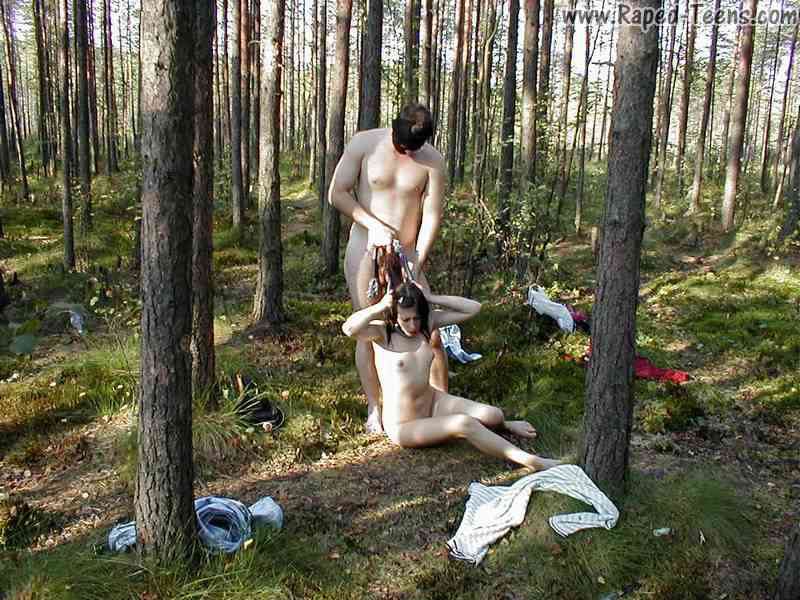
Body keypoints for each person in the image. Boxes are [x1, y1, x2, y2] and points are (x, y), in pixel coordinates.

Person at [341, 281, 561, 471]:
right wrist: (380, 306)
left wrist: (430, 297)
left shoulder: (427, 324)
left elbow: (473, 308)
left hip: (434, 402)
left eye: (417, 318)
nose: (413, 325)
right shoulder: (383, 333)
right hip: (404, 424)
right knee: (464, 424)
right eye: (406, 319)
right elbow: (349, 329)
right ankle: (532, 461)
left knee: (494, 415)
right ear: (395, 315)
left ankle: (505, 425)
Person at [329, 103, 447, 433]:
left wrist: (417, 259)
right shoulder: (365, 143)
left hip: (407, 255)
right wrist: (374, 225)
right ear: (394, 128)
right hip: (365, 249)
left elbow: (432, 215)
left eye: (411, 147)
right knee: (370, 329)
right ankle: (374, 407)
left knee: (430, 330)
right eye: (400, 143)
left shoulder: (432, 161)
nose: (404, 151)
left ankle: (439, 403)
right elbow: (337, 193)